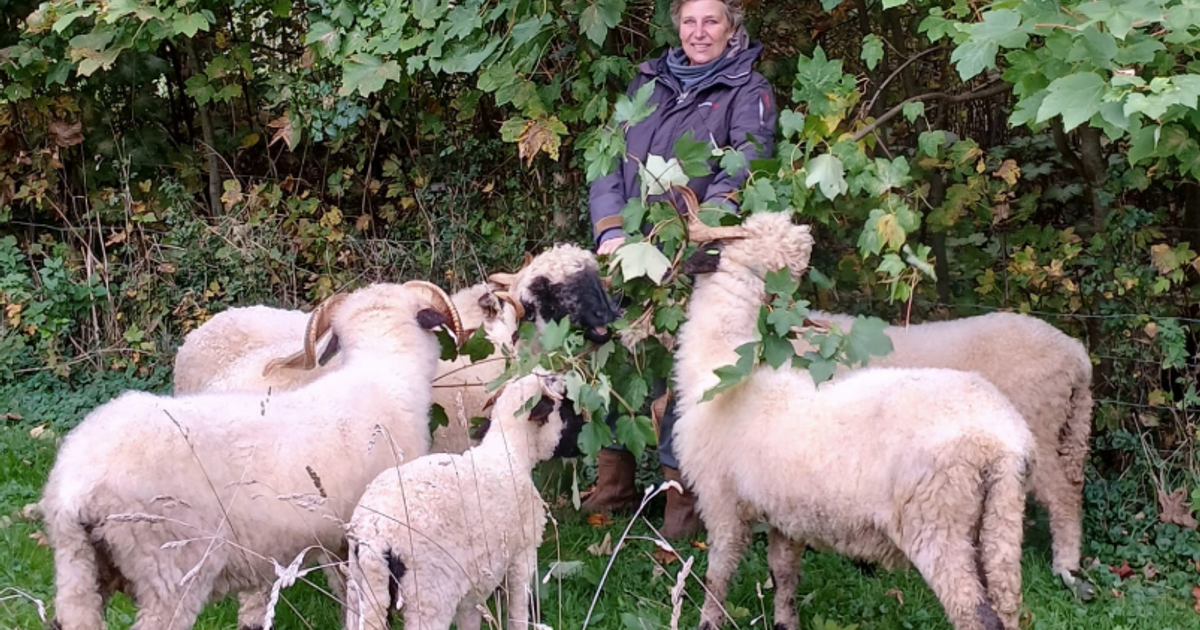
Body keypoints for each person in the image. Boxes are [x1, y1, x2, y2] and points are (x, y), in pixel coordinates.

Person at [584, 0, 777, 540]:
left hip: (698, 258)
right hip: (629, 253)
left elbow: (747, 166)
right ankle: (614, 487)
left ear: (732, 26)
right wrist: (611, 231)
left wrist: (698, 230)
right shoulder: (647, 84)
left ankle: (682, 505)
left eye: (711, 20)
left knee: (683, 377)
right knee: (619, 360)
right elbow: (608, 165)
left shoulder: (748, 90)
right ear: (677, 26)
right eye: (690, 21)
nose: (699, 32)